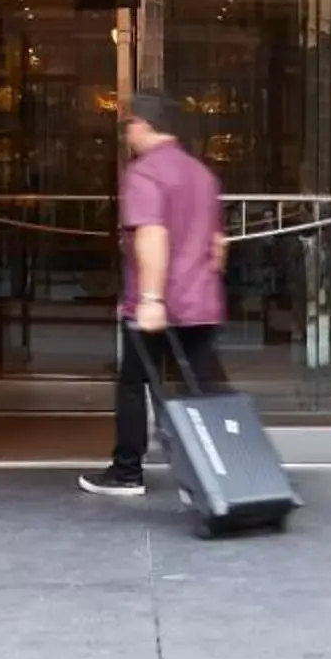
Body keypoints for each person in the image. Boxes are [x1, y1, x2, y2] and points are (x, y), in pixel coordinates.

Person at [80, 91, 229, 500]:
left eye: (128, 126)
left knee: (132, 383)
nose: (126, 135)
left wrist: (150, 297)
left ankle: (128, 471)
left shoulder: (145, 174)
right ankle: (220, 471)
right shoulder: (202, 174)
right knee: (205, 391)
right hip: (200, 303)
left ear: (144, 125)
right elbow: (218, 245)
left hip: (158, 305)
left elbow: (151, 236)